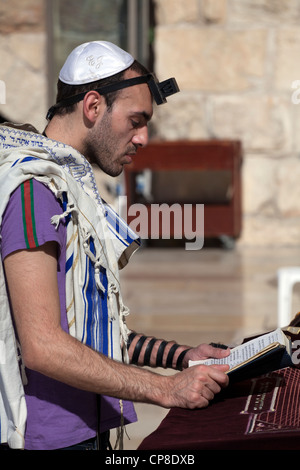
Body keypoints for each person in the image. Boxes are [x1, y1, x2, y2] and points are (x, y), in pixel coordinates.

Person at [0, 41, 230, 451]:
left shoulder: (67, 187)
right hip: (47, 441)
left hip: (85, 431)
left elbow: (93, 333)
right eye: (136, 120)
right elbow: (42, 346)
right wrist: (166, 390)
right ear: (92, 106)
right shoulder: (35, 191)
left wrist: (183, 358)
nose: (142, 138)